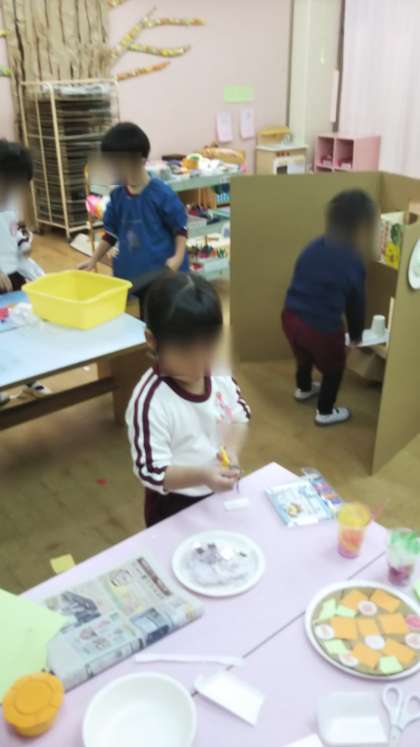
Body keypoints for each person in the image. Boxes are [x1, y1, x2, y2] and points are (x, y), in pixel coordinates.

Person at [126, 272, 250, 527]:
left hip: (217, 494)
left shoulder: (218, 373)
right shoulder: (150, 401)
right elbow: (152, 471)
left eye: (208, 349)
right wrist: (202, 475)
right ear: (152, 340)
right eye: (184, 352)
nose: (198, 363)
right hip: (173, 506)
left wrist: (232, 453)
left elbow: (239, 416)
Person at [282, 189, 377, 426]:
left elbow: (299, 276)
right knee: (334, 368)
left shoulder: (313, 245)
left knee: (303, 357)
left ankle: (304, 388)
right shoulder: (354, 261)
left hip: (290, 317)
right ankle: (325, 411)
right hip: (321, 327)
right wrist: (356, 335)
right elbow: (356, 304)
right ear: (359, 229)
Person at [78, 122, 189, 279]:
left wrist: (177, 258)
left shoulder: (161, 194)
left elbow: (180, 228)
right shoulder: (117, 197)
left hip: (162, 275)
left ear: (141, 160)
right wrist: (93, 259)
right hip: (130, 274)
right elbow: (110, 234)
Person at [0, 139, 49, 406]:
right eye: (9, 185)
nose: (12, 192)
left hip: (14, 276)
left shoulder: (8, 207)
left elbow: (14, 232)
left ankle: (31, 380)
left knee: (21, 325)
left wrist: (23, 244)